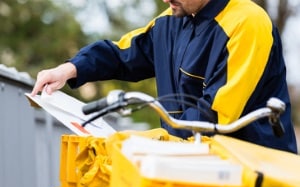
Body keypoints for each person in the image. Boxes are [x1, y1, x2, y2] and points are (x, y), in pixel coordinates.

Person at [31, 0, 298, 153]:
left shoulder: (248, 24)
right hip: (192, 168)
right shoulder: (172, 18)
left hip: (255, 178)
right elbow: (124, 53)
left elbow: (213, 119)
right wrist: (69, 69)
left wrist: (142, 142)